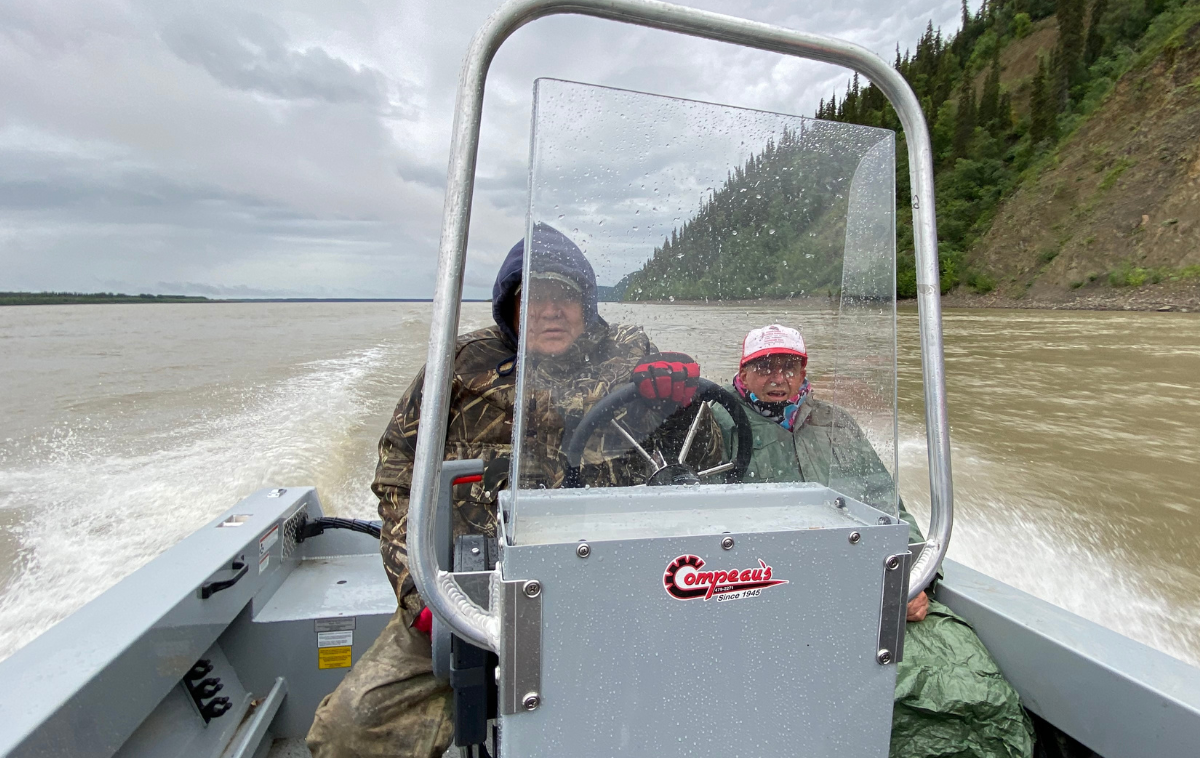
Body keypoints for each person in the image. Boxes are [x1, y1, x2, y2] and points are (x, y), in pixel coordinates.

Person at [306, 223, 718, 758]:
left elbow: (707, 466)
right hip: (471, 589)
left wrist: (687, 402)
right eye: (535, 295)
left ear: (587, 301)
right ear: (511, 305)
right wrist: (423, 594)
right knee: (350, 730)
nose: (551, 309)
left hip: (617, 584)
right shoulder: (458, 367)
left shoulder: (634, 357)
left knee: (692, 707)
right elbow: (398, 481)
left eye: (565, 294)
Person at [713, 324, 1036, 758]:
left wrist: (916, 579)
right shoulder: (715, 424)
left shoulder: (835, 424)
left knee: (969, 682)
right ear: (744, 372)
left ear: (804, 370)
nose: (778, 378)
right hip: (759, 582)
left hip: (854, 576)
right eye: (764, 367)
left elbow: (891, 510)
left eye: (789, 366)